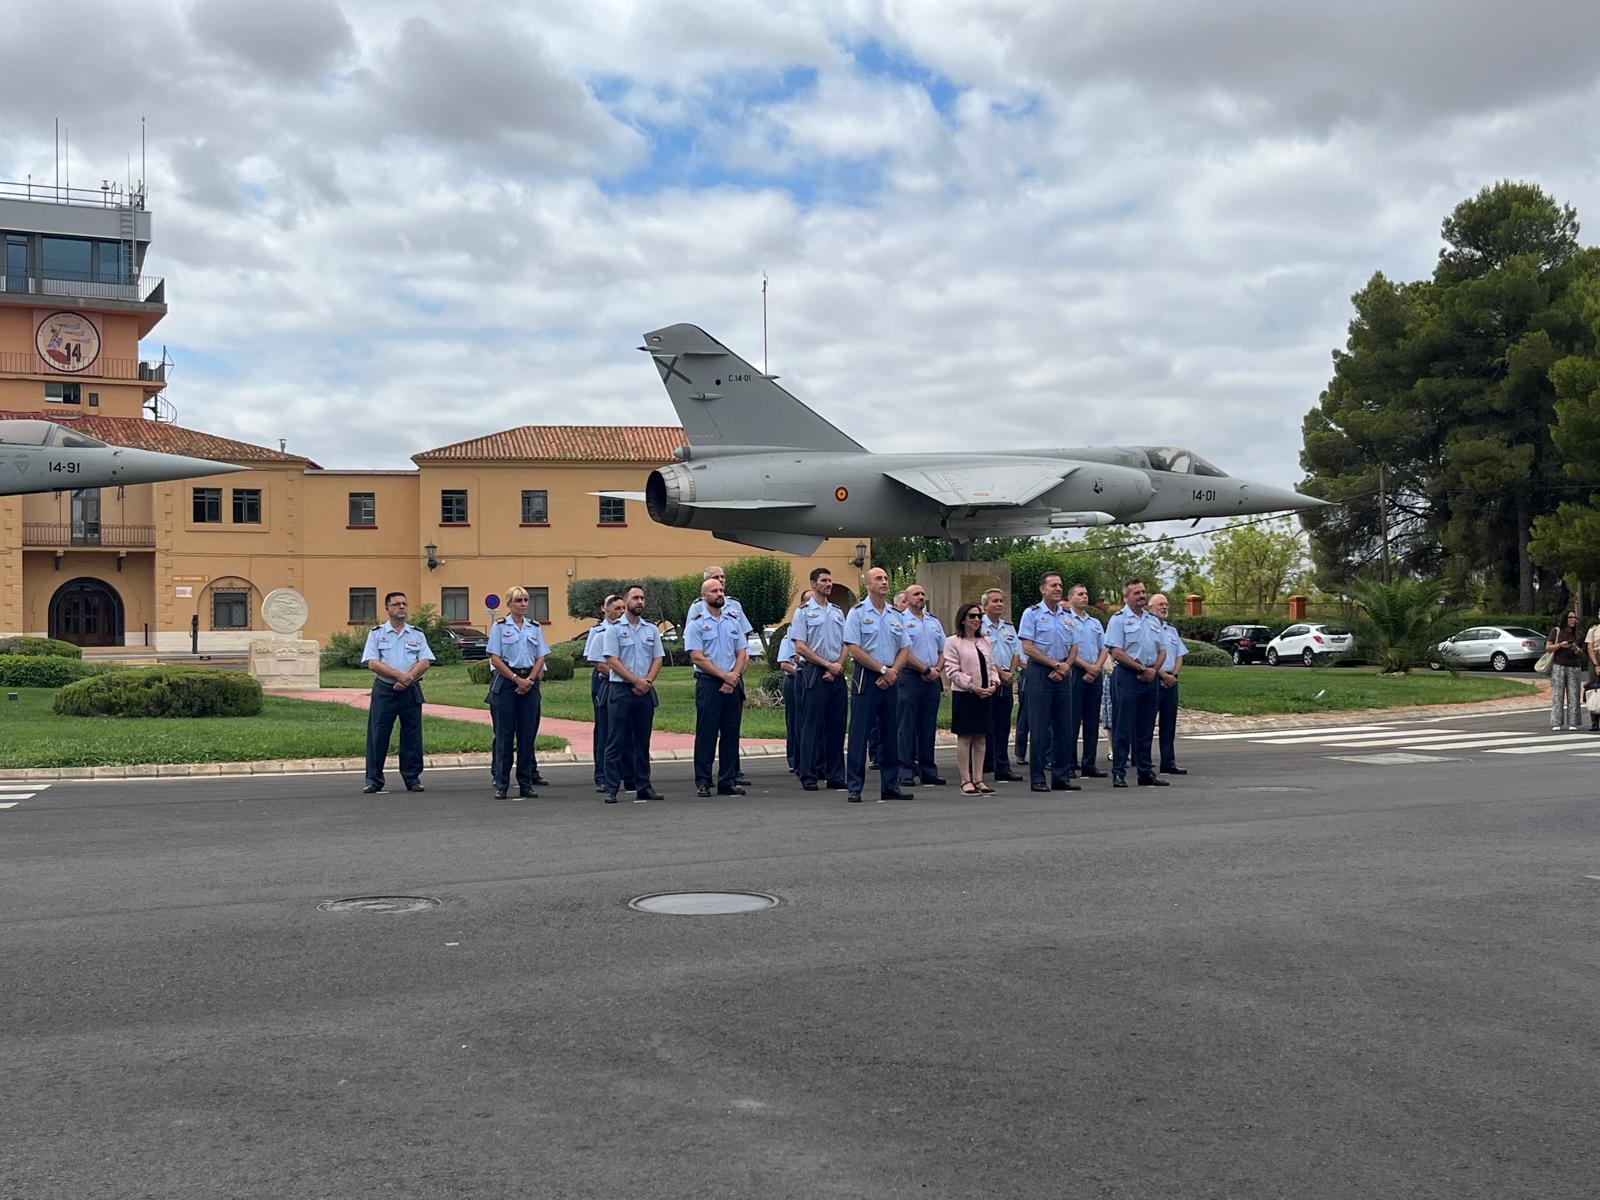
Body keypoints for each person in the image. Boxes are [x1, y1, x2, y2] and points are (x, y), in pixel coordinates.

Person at [844, 566, 910, 802]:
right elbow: (853, 647)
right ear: (868, 584)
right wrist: (881, 669)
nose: (884, 582)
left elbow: (905, 647)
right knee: (860, 732)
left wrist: (892, 671)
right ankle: (854, 786)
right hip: (867, 676)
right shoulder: (858, 613)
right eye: (878, 578)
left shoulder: (895, 614)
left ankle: (890, 785)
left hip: (891, 676)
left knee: (890, 732)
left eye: (885, 578)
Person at [360, 591, 436, 794]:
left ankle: (412, 778)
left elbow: (425, 660)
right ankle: (374, 779)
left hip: (410, 690)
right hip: (385, 690)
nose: (401, 607)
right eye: (396, 604)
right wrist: (398, 676)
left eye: (404, 603)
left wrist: (408, 678)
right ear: (387, 609)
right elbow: (372, 662)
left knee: (412, 734)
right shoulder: (376, 633)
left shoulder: (416, 633)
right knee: (378, 734)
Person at [685, 576, 752, 796]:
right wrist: (724, 676)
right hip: (710, 683)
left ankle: (728, 780)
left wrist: (733, 676)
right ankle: (703, 781)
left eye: (721, 590)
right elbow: (697, 657)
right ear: (703, 596)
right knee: (707, 734)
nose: (719, 594)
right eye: (714, 591)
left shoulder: (733, 620)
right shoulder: (696, 623)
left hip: (732, 682)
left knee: (731, 734)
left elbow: (741, 652)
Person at [600, 584, 665, 803]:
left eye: (642, 598)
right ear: (626, 601)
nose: (640, 602)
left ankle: (644, 785)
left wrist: (647, 681)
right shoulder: (614, 629)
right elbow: (612, 660)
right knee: (616, 740)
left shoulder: (651, 629)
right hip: (621, 690)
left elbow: (658, 658)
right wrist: (634, 680)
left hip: (644, 691)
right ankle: (611, 787)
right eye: (635, 598)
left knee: (642, 741)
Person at [1018, 573, 1079, 793]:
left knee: (1064, 727)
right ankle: (1038, 777)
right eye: (1053, 585)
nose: (1058, 588)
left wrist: (1065, 667)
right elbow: (1028, 647)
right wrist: (1054, 665)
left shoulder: (1067, 614)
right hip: (1040, 672)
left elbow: (1073, 645)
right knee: (1040, 727)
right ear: (1042, 589)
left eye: (1060, 585)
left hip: (1063, 673)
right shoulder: (1032, 613)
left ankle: (1061, 776)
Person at [486, 586, 548, 800]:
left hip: (529, 682)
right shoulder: (500, 627)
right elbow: (494, 657)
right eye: (519, 600)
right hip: (507, 682)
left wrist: (529, 679)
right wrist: (515, 679)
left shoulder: (534, 627)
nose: (523, 604)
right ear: (509, 604)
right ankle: (502, 783)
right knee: (504, 735)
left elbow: (541, 656)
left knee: (527, 735)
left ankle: (526, 783)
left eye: (526, 600)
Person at [1104, 579, 1168, 787]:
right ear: (1126, 597)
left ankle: (1145, 771)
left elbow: (1163, 650)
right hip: (1128, 676)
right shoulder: (1119, 619)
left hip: (1150, 677)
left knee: (1146, 727)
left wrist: (1153, 670)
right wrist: (1140, 669)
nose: (1141, 596)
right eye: (1136, 593)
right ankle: (1119, 772)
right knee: (1123, 725)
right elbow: (1116, 650)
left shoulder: (1152, 620)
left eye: (1143, 592)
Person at [793, 567, 848, 792]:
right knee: (811, 726)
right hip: (814, 671)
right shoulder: (804, 612)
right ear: (813, 584)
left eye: (830, 580)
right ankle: (808, 774)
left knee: (836, 725)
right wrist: (826, 665)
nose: (828, 584)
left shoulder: (837, 612)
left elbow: (847, 643)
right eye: (824, 580)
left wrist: (837, 666)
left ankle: (835, 774)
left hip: (836, 671)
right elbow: (800, 646)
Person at [944, 602, 998, 795]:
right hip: (965, 694)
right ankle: (965, 780)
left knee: (981, 737)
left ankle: (979, 779)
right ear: (963, 619)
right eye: (972, 616)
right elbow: (952, 671)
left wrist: (993, 684)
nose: (976, 620)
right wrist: (972, 686)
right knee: (966, 737)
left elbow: (991, 666)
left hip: (985, 693)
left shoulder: (985, 641)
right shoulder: (953, 642)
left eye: (979, 616)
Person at [897, 584, 947, 787]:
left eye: (923, 594)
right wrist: (924, 670)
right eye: (916, 594)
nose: (921, 597)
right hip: (910, 677)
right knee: (906, 725)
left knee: (928, 726)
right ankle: (905, 770)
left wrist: (936, 669)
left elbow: (944, 649)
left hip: (932, 679)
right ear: (907, 600)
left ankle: (928, 769)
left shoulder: (933, 621)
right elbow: (903, 651)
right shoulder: (900, 620)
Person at [980, 588, 1024, 782]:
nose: (999, 604)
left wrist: (1011, 672)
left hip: (1006, 680)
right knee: (985, 724)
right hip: (987, 679)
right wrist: (1000, 672)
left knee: (1003, 725)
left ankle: (1002, 766)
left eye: (1001, 601)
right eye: (994, 601)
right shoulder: (979, 626)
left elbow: (1016, 652)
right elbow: (983, 654)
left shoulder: (1008, 627)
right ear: (985, 605)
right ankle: (984, 763)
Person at [1065, 584, 1109, 779]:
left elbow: (1104, 648)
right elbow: (1067, 649)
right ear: (1071, 598)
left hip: (1094, 672)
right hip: (1075, 671)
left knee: (1092, 721)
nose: (1084, 597)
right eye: (1080, 594)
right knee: (1072, 719)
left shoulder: (1095, 623)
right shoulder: (1066, 620)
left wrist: (1096, 667)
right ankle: (1070, 762)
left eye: (1086, 594)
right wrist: (1086, 667)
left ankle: (1089, 763)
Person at [583, 595, 623, 794]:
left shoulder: (625, 630)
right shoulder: (598, 631)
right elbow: (597, 661)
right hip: (604, 681)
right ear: (605, 610)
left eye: (623, 608)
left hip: (623, 682)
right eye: (616, 608)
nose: (621, 612)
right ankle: (602, 775)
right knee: (604, 729)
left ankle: (623, 772)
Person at [1148, 592, 1188, 776]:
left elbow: (1179, 655)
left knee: (1169, 724)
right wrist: (1162, 674)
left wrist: (1174, 675)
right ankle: (1144, 762)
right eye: (1160, 604)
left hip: (1171, 681)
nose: (1164, 607)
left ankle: (1168, 761)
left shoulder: (1171, 630)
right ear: (1151, 608)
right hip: (1154, 678)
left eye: (1166, 604)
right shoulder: (1147, 627)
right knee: (1146, 724)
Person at [778, 589, 811, 773]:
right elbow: (785, 663)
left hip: (812, 678)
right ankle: (794, 758)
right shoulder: (791, 632)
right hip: (795, 679)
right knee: (795, 720)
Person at [1548, 610, 1584, 731]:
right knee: (1557, 695)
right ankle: (1556, 722)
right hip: (1559, 665)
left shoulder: (1578, 633)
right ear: (1565, 619)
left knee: (1574, 695)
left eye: (1575, 617)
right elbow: (1548, 647)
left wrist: (1575, 648)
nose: (1573, 619)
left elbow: (1581, 653)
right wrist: (1560, 645)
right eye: (1571, 617)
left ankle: (1573, 722)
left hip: (1574, 666)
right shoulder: (1557, 631)